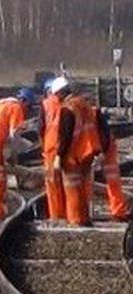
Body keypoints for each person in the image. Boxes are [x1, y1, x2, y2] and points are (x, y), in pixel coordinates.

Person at [51, 77, 102, 226]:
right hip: (89, 151)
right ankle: (84, 218)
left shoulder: (68, 108)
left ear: (60, 93)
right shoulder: (83, 104)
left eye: (56, 95)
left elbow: (65, 135)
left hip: (74, 155)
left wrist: (59, 156)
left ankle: (76, 220)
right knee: (83, 188)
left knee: (72, 187)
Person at [0, 88, 35, 222]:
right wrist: (15, 154)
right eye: (29, 106)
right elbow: (14, 134)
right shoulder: (16, 107)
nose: (27, 110)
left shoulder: (0, 106)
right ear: (24, 101)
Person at [96, 110, 130, 221]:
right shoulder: (89, 112)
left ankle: (119, 211)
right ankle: (119, 210)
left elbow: (103, 134)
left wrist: (101, 152)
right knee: (113, 181)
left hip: (104, 147)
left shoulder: (88, 114)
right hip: (102, 146)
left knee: (113, 181)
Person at [40, 78, 66, 220]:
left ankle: (56, 215)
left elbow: (40, 128)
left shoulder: (45, 105)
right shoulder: (67, 104)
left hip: (50, 149)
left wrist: (43, 147)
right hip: (65, 148)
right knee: (67, 183)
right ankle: (69, 213)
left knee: (52, 184)